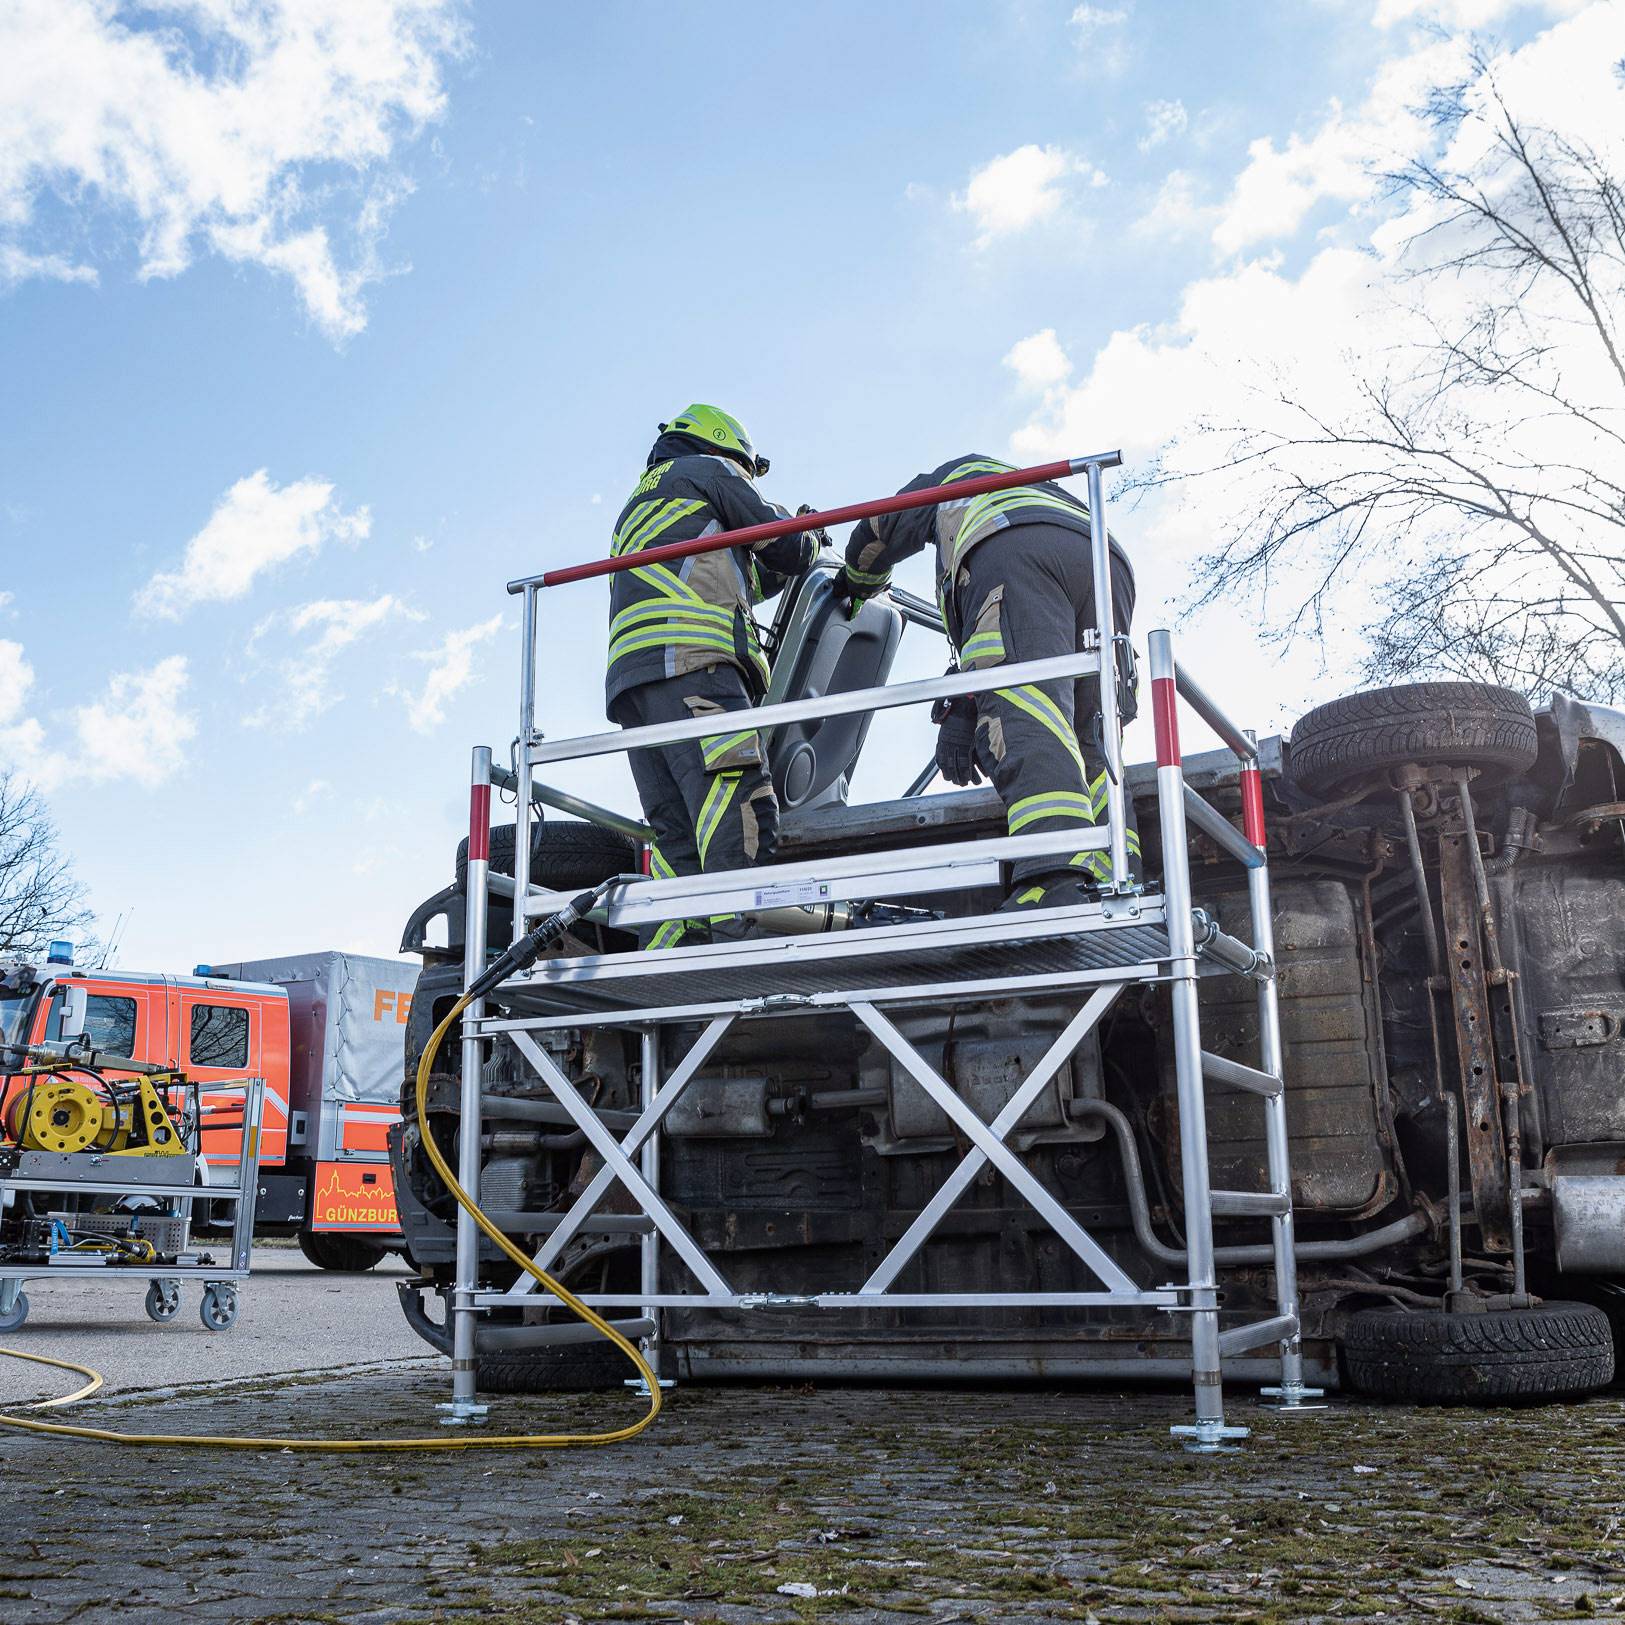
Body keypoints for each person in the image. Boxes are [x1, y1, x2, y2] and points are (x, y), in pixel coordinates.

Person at [836, 455, 1138, 909]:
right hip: (1106, 561)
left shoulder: (956, 478)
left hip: (1017, 551)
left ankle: (1052, 879)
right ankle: (1121, 875)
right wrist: (966, 701)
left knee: (1028, 714)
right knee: (1094, 738)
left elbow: (883, 526)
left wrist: (856, 584)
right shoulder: (1035, 489)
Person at [607, 405, 820, 948]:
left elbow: (737, 574)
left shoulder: (645, 503)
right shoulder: (710, 470)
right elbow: (785, 544)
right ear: (727, 447)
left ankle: (671, 962)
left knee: (678, 835)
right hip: (697, 664)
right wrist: (811, 535)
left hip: (635, 684)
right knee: (740, 808)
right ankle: (733, 955)